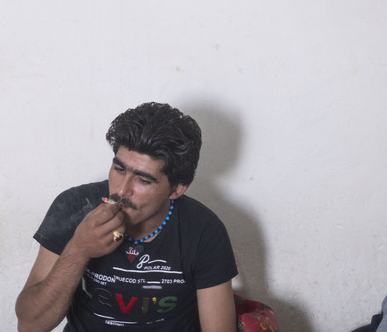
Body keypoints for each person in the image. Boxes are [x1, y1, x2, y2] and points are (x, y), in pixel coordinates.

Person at [15, 102, 238, 332]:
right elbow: (30, 325)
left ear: (176, 189)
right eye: (119, 169)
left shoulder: (204, 230)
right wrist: (79, 249)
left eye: (143, 180)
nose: (122, 190)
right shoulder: (74, 207)